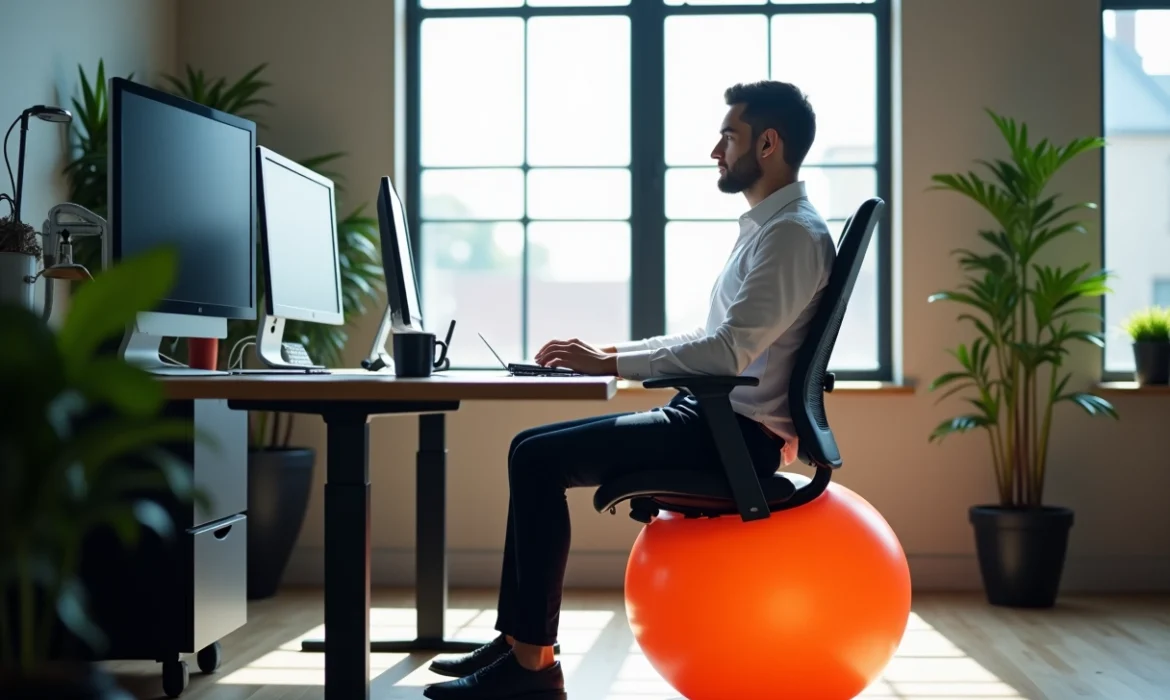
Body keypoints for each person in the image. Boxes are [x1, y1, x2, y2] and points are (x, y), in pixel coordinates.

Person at [422, 79, 837, 700]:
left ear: (769, 143)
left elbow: (727, 351)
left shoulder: (791, 236)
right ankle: (519, 644)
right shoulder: (769, 228)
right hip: (712, 418)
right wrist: (609, 355)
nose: (716, 150)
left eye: (729, 136)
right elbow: (714, 335)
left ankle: (531, 669)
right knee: (526, 450)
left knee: (535, 457)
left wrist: (609, 366)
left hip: (731, 437)